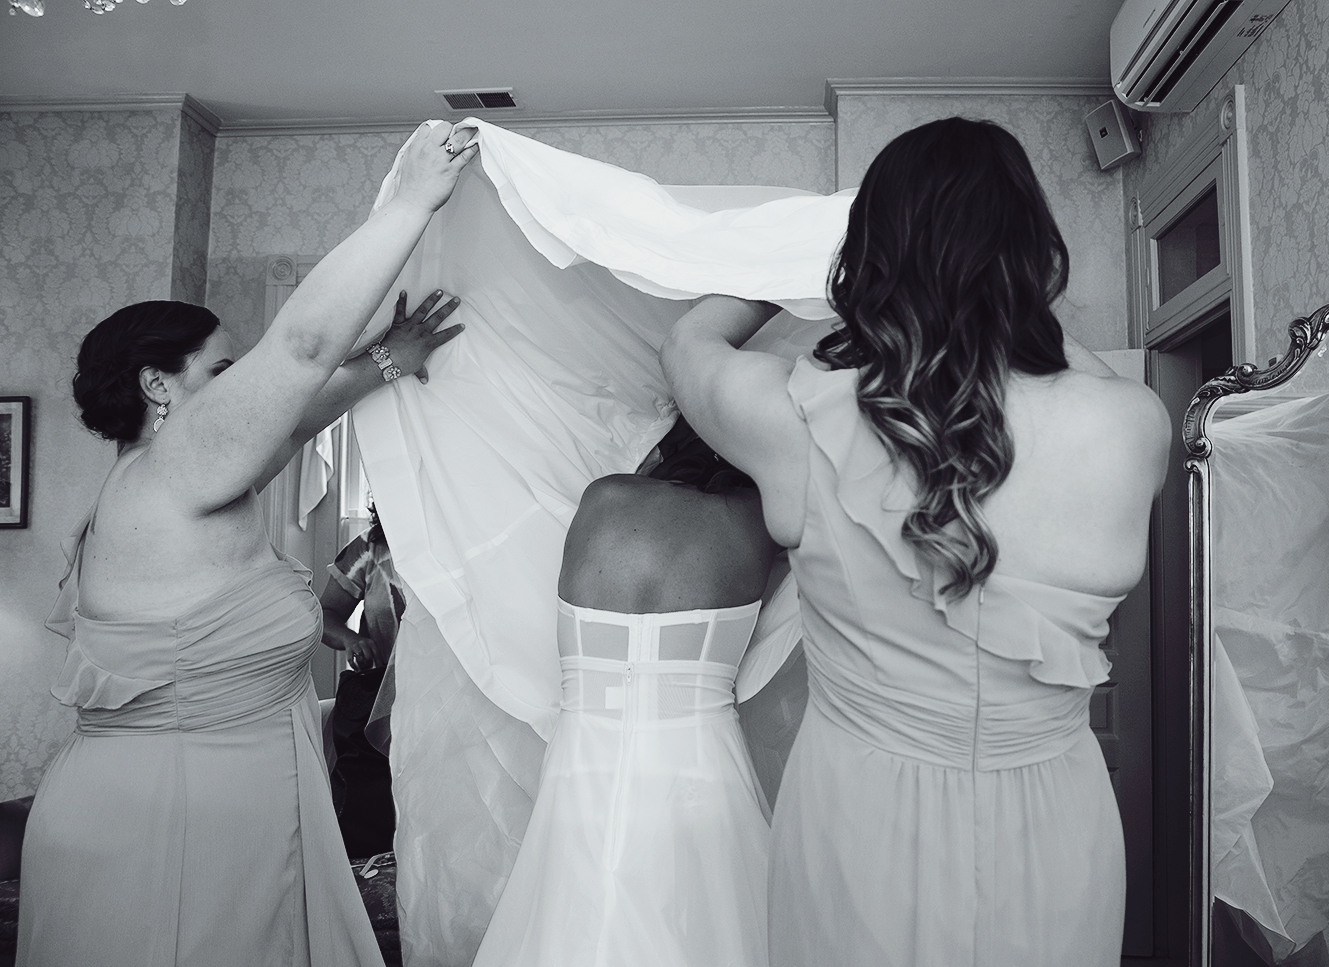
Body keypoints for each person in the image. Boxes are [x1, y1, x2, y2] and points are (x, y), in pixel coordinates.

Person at [660, 117, 1172, 967]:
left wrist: (803, 251)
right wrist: (1004, 298)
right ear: (1033, 256)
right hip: (1054, 825)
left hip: (858, 821)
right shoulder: (1133, 427)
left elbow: (687, 344)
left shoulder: (795, 417)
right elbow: (1073, 370)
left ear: (871, 254)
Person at [16, 124, 478, 967]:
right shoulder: (172, 468)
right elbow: (301, 352)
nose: (243, 389)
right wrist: (413, 199)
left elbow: (299, 414)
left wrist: (388, 357)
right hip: (172, 826)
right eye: (222, 371)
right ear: (160, 383)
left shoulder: (179, 480)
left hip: (208, 810)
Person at [472, 418, 782, 967]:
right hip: (698, 770)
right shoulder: (757, 524)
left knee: (572, 924)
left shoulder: (601, 499)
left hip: (581, 764)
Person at [319, 504, 405, 858]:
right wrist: (352, 640)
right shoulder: (370, 548)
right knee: (369, 820)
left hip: (450, 706)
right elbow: (325, 613)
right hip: (378, 704)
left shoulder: (463, 542)